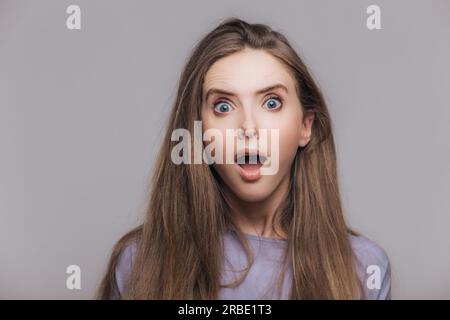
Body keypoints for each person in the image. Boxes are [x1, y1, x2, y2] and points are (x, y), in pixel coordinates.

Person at [96, 17, 391, 300]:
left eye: (272, 103)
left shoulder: (364, 268)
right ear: (198, 133)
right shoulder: (139, 263)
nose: (248, 128)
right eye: (223, 106)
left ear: (306, 126)